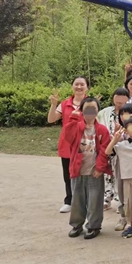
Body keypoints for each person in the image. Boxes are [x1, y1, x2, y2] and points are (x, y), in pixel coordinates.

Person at [64, 97, 111, 240]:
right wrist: (73, 118)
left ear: (98, 111)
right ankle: (76, 224)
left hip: (94, 171)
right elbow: (68, 137)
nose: (90, 112)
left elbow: (104, 151)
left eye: (93, 109)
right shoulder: (77, 126)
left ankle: (94, 225)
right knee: (77, 200)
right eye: (87, 109)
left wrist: (100, 168)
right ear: (82, 111)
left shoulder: (102, 130)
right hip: (77, 170)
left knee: (95, 200)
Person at [47, 76, 89, 213]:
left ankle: (85, 200)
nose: (79, 87)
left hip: (86, 143)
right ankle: (69, 200)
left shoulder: (90, 103)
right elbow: (51, 119)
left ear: (87, 87)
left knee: (85, 172)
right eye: (76, 84)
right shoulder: (65, 104)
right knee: (68, 173)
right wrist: (54, 104)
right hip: (67, 144)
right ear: (72, 86)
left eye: (82, 84)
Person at [97, 87, 130, 229]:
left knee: (121, 179)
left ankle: (122, 206)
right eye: (117, 102)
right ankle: (107, 198)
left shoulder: (129, 113)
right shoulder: (104, 113)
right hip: (106, 147)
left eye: (122, 102)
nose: (119, 105)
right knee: (106, 174)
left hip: (123, 150)